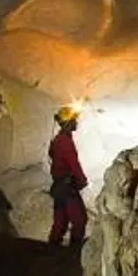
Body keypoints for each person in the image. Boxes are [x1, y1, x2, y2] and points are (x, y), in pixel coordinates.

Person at [46, 106, 89, 248]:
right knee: (80, 220)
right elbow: (73, 163)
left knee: (60, 223)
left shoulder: (59, 139)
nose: (76, 122)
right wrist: (82, 180)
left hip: (59, 187)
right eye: (74, 120)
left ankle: (50, 252)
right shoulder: (65, 142)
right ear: (67, 123)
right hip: (66, 187)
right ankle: (73, 252)